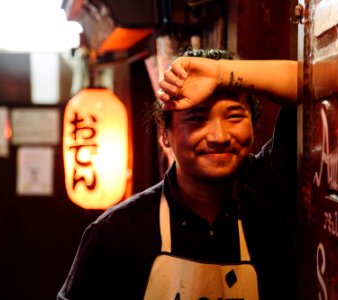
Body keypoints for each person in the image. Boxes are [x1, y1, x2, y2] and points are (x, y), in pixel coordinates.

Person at [57, 49, 299, 300]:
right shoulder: (118, 233)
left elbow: (313, 81)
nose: (219, 136)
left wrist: (218, 73)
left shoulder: (272, 191)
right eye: (197, 119)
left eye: (234, 116)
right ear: (165, 134)